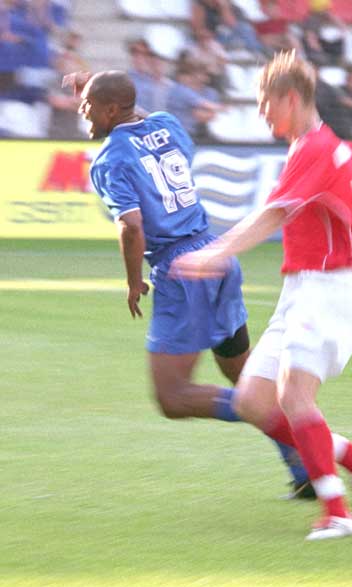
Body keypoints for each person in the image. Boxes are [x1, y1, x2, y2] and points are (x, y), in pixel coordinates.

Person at [171, 51, 352, 540]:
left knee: (294, 394)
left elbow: (274, 214)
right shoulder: (324, 148)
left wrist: (215, 253)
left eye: (265, 103)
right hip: (303, 285)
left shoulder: (316, 149)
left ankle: (338, 513)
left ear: (290, 98)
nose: (260, 113)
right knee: (253, 400)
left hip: (330, 285)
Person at [63, 68, 316, 498]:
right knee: (245, 376)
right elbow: (137, 115)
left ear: (111, 109)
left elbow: (132, 227)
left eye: (88, 105)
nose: (82, 111)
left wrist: (133, 281)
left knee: (174, 397)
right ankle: (307, 466)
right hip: (216, 257)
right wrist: (95, 87)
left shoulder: (109, 161)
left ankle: (318, 441)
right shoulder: (167, 124)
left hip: (181, 272)